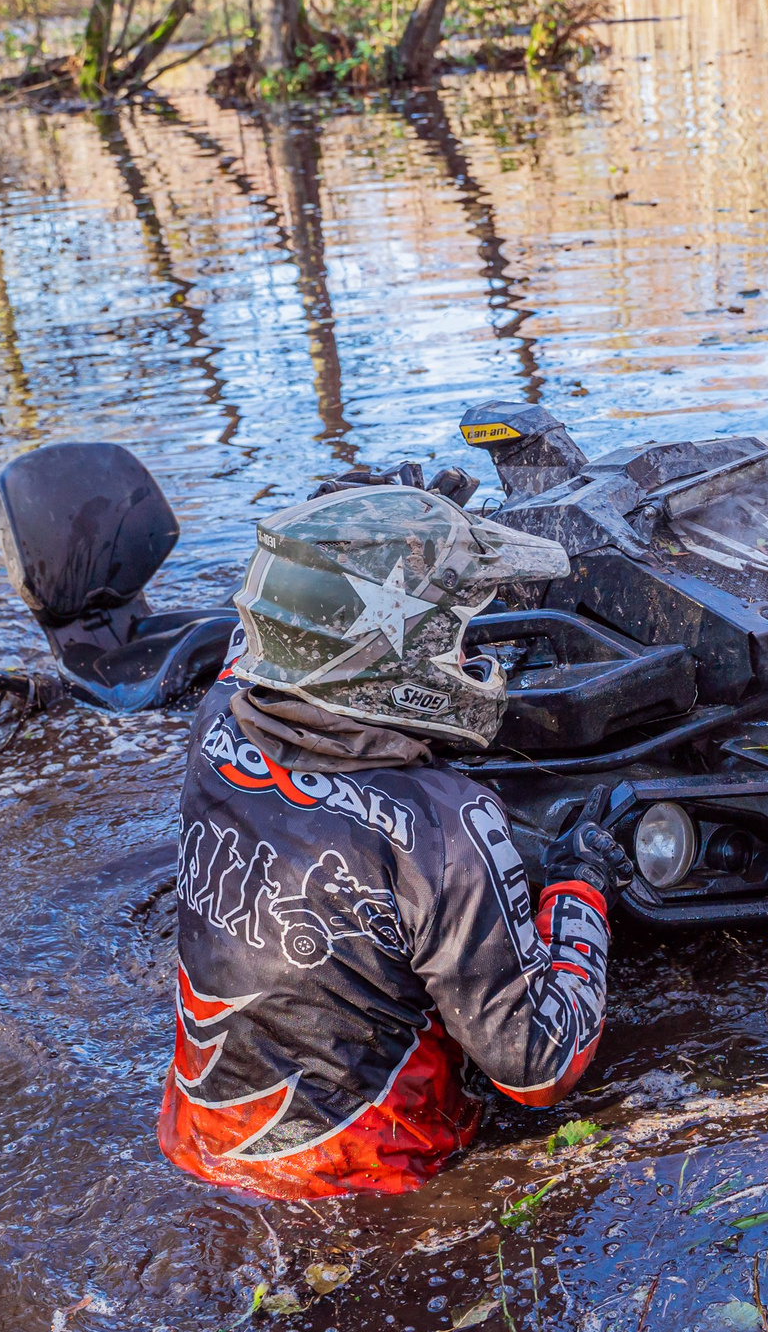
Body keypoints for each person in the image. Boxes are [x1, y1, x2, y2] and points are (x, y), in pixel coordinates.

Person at [159, 477, 633, 1198]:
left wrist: (388, 520)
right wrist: (579, 891)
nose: (467, 655)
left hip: (199, 1154)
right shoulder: (445, 827)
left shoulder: (217, 720)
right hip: (370, 1192)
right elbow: (539, 1064)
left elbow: (260, 640)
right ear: (390, 665)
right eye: (449, 637)